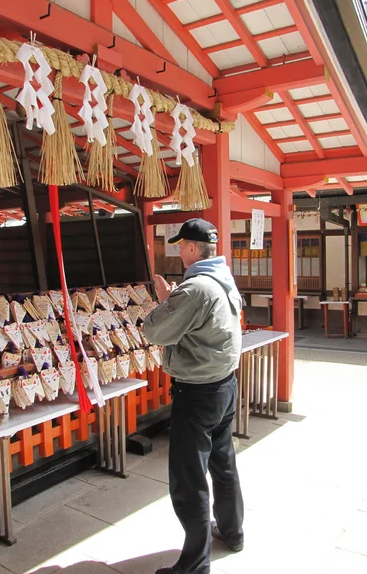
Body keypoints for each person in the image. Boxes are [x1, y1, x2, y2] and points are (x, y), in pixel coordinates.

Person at [143, 218, 244, 574]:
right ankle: (232, 532)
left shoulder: (196, 288)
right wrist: (176, 301)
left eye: (181, 245)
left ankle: (194, 565)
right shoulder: (224, 279)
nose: (179, 251)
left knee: (189, 478)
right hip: (225, 386)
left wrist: (165, 302)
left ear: (190, 248)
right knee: (223, 464)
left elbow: (155, 330)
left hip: (197, 392)